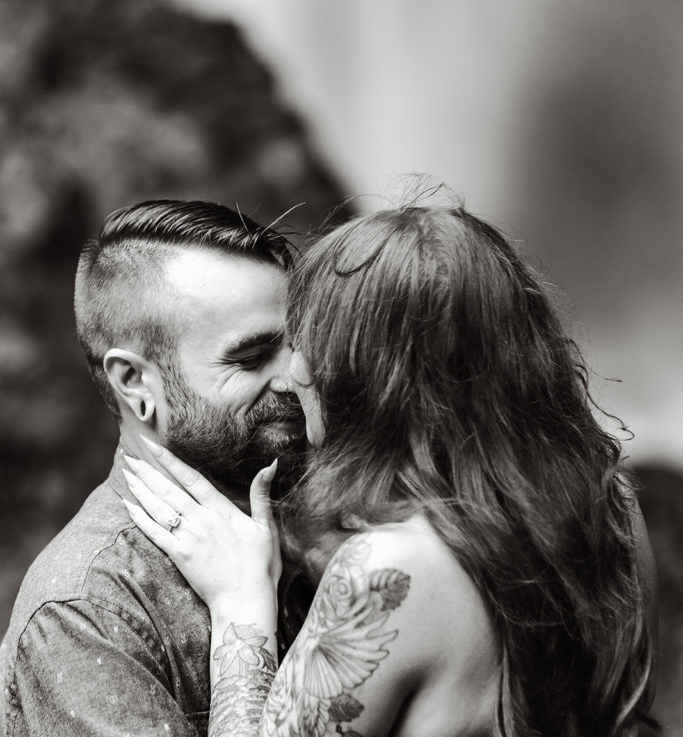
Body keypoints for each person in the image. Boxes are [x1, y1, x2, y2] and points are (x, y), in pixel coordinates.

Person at [124, 198, 658, 737]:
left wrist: (240, 603)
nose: (294, 373)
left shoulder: (386, 569)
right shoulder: (614, 507)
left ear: (366, 379)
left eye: (307, 342)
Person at [1, 199, 309, 737]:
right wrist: (242, 612)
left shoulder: (333, 522)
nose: (297, 376)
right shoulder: (88, 611)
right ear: (136, 384)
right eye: (251, 357)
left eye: (298, 344)